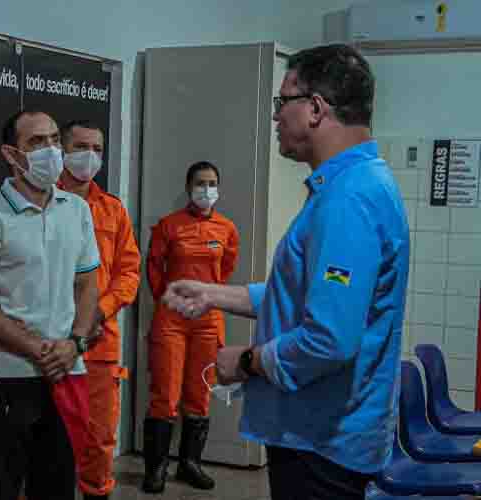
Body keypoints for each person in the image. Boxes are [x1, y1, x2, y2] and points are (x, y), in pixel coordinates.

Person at [162, 44, 410, 500]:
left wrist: (246, 363)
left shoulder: (347, 200)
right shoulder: (356, 185)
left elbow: (329, 339)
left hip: (323, 442)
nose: (276, 117)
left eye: (282, 103)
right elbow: (305, 295)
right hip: (326, 437)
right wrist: (214, 295)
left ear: (315, 109)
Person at [0, 110, 101, 500]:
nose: (51, 150)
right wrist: (37, 349)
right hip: (8, 374)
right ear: (12, 154)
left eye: (55, 139)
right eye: (37, 142)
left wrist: (75, 343)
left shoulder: (77, 210)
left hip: (66, 371)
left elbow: (88, 284)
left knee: (56, 486)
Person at [142, 160, 239, 493]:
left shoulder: (226, 228)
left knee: (199, 393)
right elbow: (153, 267)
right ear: (188, 187)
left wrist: (206, 296)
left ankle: (189, 464)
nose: (206, 189)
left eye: (212, 183)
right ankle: (156, 469)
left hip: (208, 319)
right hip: (171, 317)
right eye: (200, 183)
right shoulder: (169, 226)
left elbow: (225, 269)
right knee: (165, 394)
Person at [57, 120, 141, 500]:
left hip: (99, 343)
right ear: (62, 149)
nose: (89, 155)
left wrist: (100, 310)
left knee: (99, 439)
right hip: (48, 341)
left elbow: (129, 272)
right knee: (48, 438)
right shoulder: (42, 203)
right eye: (80, 146)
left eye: (97, 148)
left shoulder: (113, 211)